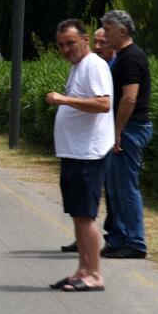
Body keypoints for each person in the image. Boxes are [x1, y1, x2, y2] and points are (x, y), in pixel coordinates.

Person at [45, 19, 114, 292]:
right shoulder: (78, 67)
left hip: (88, 153)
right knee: (78, 215)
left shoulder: (94, 65)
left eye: (71, 43)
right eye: (61, 45)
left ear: (85, 40)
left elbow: (103, 103)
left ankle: (95, 274)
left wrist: (64, 100)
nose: (66, 49)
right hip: (75, 152)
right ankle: (83, 270)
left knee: (85, 216)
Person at [101, 10, 152, 259]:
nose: (105, 35)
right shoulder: (123, 57)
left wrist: (118, 131)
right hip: (126, 129)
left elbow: (130, 97)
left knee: (127, 188)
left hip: (131, 129)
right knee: (116, 186)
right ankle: (120, 238)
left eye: (108, 30)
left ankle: (136, 242)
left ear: (122, 31)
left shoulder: (130, 58)